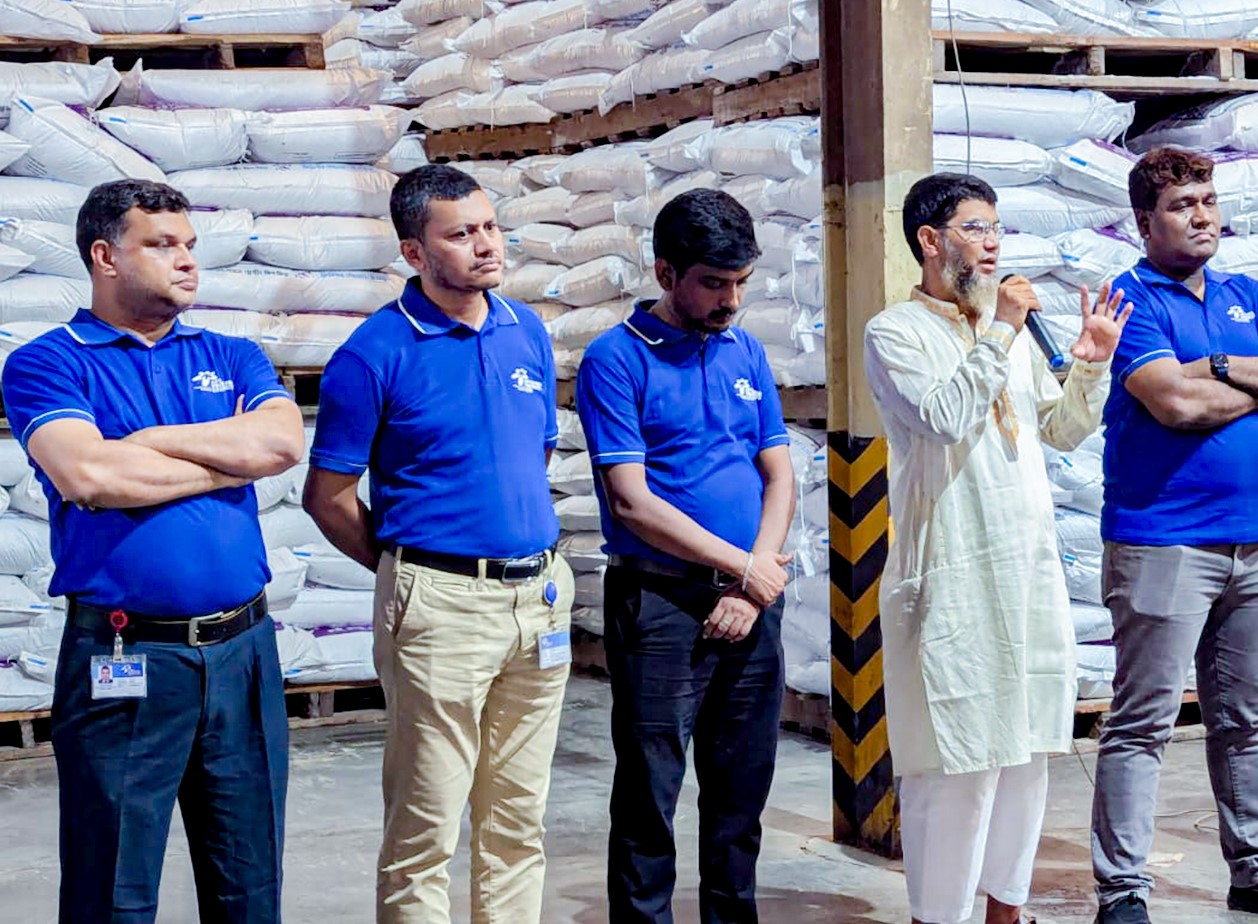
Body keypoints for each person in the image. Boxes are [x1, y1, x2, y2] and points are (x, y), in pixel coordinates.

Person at [2, 179, 304, 922]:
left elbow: (279, 443)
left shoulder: (232, 353)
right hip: (126, 656)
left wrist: (149, 443)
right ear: (105, 257)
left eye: (190, 245)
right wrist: (225, 461)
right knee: (113, 886)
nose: (187, 261)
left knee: (250, 880)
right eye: (162, 245)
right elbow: (91, 476)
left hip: (244, 651)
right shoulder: (49, 362)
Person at [304, 164, 575, 923]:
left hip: (539, 597)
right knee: (426, 828)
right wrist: (409, 568)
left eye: (490, 227)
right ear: (414, 253)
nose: (486, 245)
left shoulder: (525, 330)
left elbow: (533, 454)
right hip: (439, 607)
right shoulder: (373, 354)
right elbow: (327, 496)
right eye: (461, 235)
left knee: (518, 820)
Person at [865, 173, 1128, 924]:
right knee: (958, 769)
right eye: (976, 228)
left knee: (1026, 756)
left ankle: (1007, 911)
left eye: (996, 229)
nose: (992, 244)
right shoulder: (895, 332)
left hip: (1026, 576)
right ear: (930, 240)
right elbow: (945, 417)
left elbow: (1061, 430)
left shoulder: (1002, 333)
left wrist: (1091, 363)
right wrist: (1003, 331)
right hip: (953, 577)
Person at [1091, 147, 1258, 924]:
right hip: (1163, 543)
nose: (1202, 217)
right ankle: (1122, 892)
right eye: (1181, 205)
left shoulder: (1247, 294)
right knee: (1142, 723)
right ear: (1145, 222)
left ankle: (1255, 873)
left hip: (1256, 543)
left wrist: (1219, 365)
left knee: (1244, 720)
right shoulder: (1129, 300)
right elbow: (1175, 405)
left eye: (1208, 201)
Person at [574, 189, 794, 923]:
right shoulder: (616, 359)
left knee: (740, 795)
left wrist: (753, 580)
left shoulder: (745, 350)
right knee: (650, 795)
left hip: (752, 600)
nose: (731, 300)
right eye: (714, 283)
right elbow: (632, 501)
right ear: (666, 273)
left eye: (741, 282)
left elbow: (780, 475)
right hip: (660, 604)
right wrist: (745, 567)